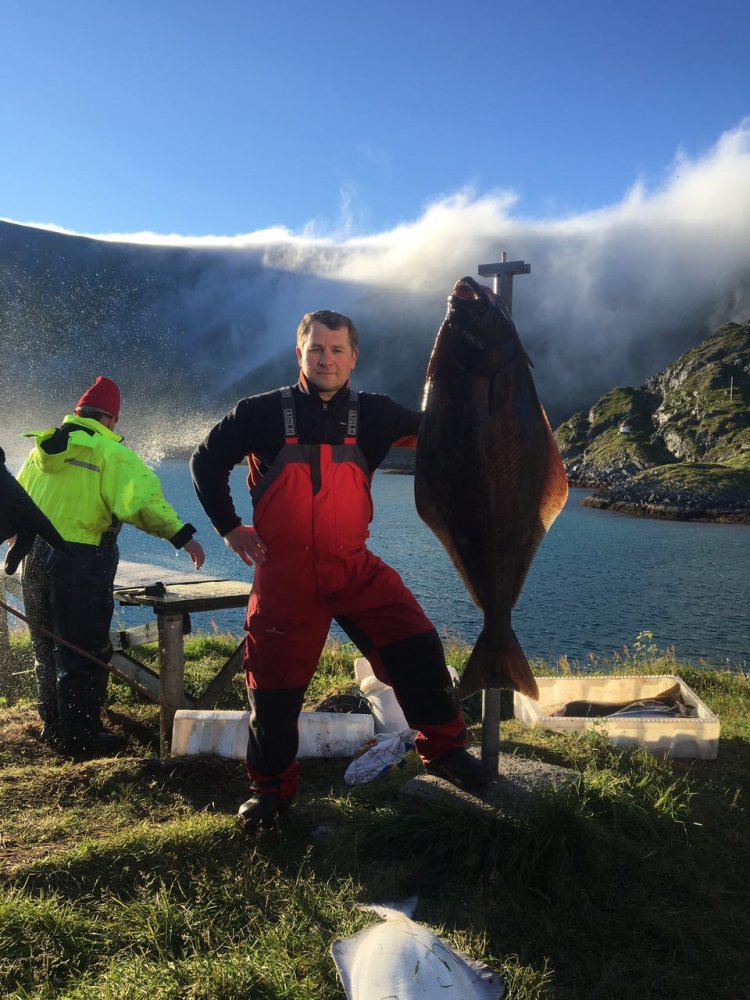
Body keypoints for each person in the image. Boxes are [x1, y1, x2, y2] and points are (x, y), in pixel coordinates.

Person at [190, 309, 489, 830]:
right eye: (316, 349)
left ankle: (445, 752)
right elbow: (206, 460)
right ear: (300, 354)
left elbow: (440, 431)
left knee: (418, 647)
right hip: (285, 579)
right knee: (273, 691)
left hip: (354, 569)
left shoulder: (375, 414)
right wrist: (229, 527)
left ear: (353, 357)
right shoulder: (260, 412)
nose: (325, 359)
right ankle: (270, 792)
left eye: (336, 350)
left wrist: (486, 393)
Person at [16, 376, 205, 754]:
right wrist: (183, 536)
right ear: (111, 419)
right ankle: (81, 739)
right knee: (83, 651)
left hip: (32, 558)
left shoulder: (41, 450)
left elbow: (15, 500)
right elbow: (142, 503)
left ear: (77, 413)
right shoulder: (109, 453)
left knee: (46, 647)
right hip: (80, 562)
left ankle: (54, 726)